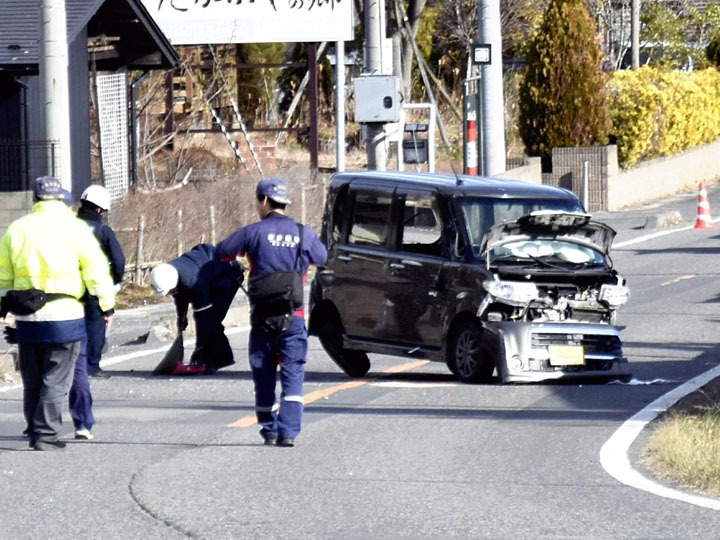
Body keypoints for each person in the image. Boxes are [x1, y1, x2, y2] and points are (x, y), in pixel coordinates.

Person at [0, 177, 115, 451]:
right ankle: (46, 435)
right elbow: (97, 271)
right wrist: (106, 305)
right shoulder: (75, 229)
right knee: (55, 378)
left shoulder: (17, 229)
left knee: (32, 378)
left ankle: (34, 430)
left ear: (35, 199)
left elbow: (3, 276)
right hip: (65, 316)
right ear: (63, 199)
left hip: (28, 317)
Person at [214, 178, 327, 447]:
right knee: (293, 376)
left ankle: (269, 429)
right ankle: (288, 432)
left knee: (263, 376)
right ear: (284, 203)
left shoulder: (252, 232)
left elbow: (221, 252)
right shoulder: (303, 233)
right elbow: (322, 258)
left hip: (262, 319)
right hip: (294, 318)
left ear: (264, 201)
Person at [150, 243, 243, 374]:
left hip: (226, 278)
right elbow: (180, 296)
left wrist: (199, 349)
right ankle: (217, 357)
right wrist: (181, 321)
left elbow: (204, 319)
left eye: (169, 292)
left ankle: (217, 359)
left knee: (211, 321)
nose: (170, 294)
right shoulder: (170, 272)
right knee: (208, 321)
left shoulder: (193, 281)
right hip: (208, 274)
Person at [76, 184, 126, 378]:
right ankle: (91, 365)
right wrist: (115, 280)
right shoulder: (103, 231)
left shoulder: (69, 226)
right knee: (96, 327)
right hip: (95, 288)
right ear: (99, 208)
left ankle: (73, 364)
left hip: (68, 286)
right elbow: (119, 260)